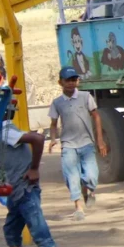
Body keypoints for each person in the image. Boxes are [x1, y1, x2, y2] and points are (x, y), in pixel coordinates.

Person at [48, 66, 107, 221]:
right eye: (67, 80)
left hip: (87, 143)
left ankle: (89, 190)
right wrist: (53, 139)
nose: (71, 83)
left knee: (91, 175)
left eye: (74, 79)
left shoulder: (86, 96)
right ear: (60, 82)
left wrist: (100, 140)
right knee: (71, 177)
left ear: (78, 81)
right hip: (68, 145)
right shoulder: (57, 103)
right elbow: (53, 123)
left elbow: (96, 117)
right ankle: (78, 208)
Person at [2, 111, 59, 247]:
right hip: (15, 191)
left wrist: (34, 168)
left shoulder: (5, 131)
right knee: (11, 232)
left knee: (42, 237)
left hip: (25, 189)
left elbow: (38, 138)